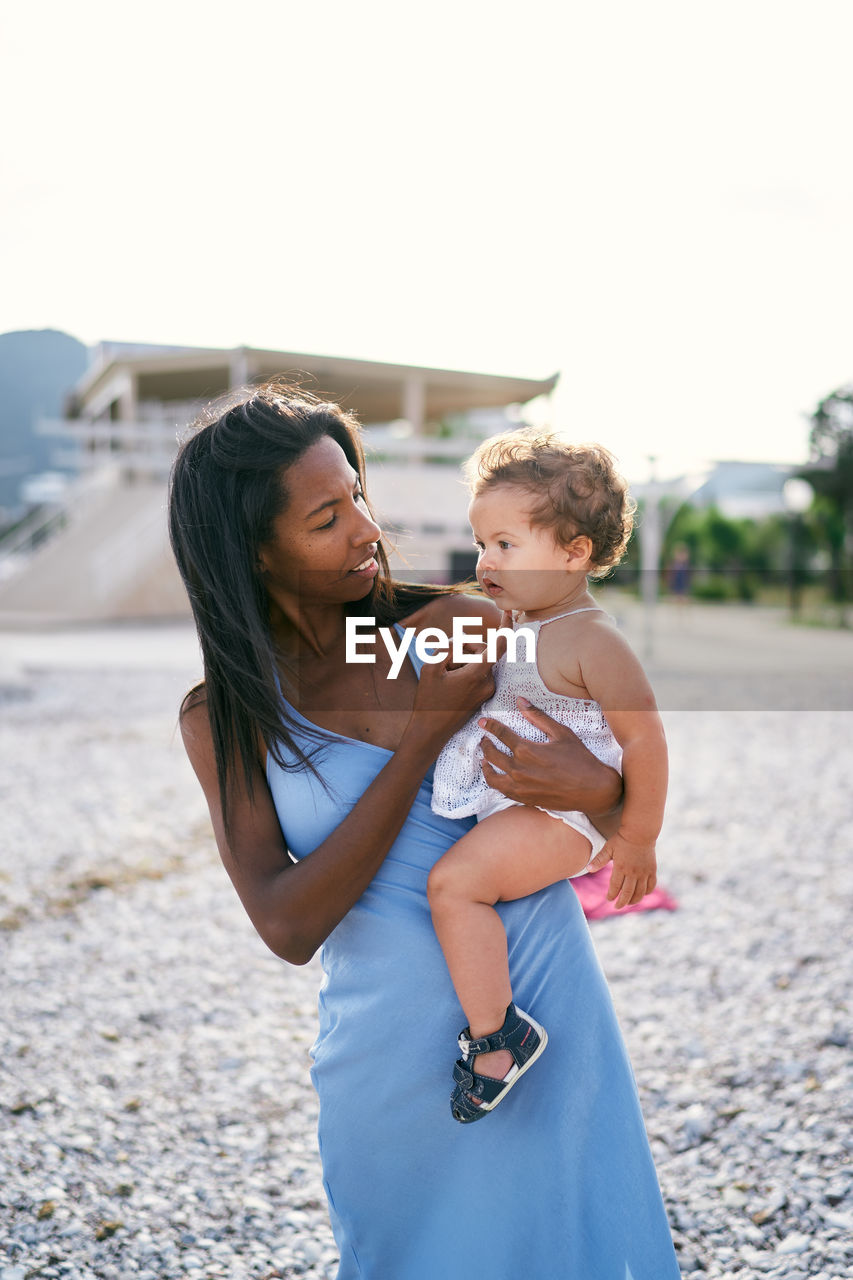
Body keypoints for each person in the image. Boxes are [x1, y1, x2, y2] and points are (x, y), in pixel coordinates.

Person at [168, 381, 682, 1279]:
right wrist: (421, 736)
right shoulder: (226, 718)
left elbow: (600, 784)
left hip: (539, 1008)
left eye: (357, 494)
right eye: (328, 517)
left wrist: (600, 787)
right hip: (389, 1054)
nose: (368, 528)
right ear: (253, 553)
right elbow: (287, 927)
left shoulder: (459, 625)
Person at [429, 430, 667, 1123]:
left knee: (454, 887)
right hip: (515, 798)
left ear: (574, 552)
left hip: (559, 818)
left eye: (505, 545)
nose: (484, 560)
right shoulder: (514, 620)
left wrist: (638, 839)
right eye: (481, 544)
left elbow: (644, 737)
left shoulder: (592, 639)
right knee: (456, 883)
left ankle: (496, 1038)